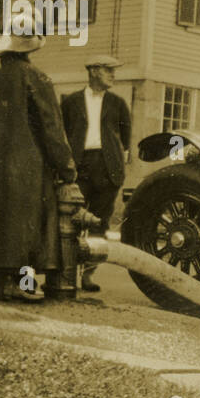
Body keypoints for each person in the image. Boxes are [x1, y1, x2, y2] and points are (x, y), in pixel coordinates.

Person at [0, 18, 80, 302]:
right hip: (23, 168)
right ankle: (13, 284)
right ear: (30, 48)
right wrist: (67, 168)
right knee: (19, 223)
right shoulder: (37, 78)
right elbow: (52, 130)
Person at [60, 55, 130, 292]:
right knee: (72, 219)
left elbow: (126, 138)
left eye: (113, 70)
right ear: (93, 71)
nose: (113, 75)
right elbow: (61, 134)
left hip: (107, 168)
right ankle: (67, 273)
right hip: (78, 166)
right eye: (108, 70)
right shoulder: (71, 102)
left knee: (100, 222)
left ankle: (89, 275)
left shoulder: (118, 103)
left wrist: (120, 167)